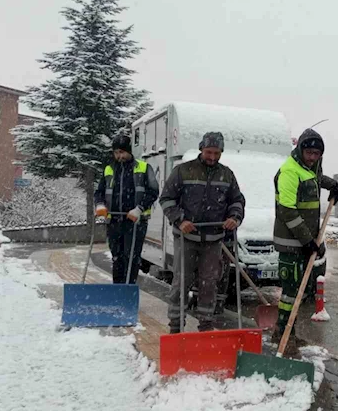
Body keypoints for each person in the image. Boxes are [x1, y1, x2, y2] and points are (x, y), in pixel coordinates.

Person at [159, 132, 245, 333]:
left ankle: (206, 324)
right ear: (201, 149)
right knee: (182, 281)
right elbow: (166, 199)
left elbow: (237, 201)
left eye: (217, 153)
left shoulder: (227, 175)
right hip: (186, 237)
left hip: (214, 240)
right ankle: (175, 326)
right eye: (209, 152)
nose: (212, 157)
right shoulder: (183, 171)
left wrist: (234, 217)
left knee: (209, 283)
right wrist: (180, 220)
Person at [272, 128, 338, 352]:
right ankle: (283, 335)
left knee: (301, 292)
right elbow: (287, 211)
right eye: (309, 152)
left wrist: (332, 185)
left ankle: (286, 332)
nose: (312, 157)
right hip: (292, 242)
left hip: (305, 241)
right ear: (300, 149)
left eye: (316, 154)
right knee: (291, 292)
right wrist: (307, 240)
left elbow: (316, 178)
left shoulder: (309, 170)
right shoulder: (290, 172)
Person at [94, 135, 159, 284]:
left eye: (122, 152)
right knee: (117, 257)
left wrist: (139, 208)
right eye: (116, 153)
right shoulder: (109, 170)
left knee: (131, 257)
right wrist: (100, 204)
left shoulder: (143, 168)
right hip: (114, 220)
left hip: (135, 222)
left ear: (129, 151)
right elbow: (100, 192)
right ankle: (118, 290)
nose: (119, 156)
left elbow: (153, 191)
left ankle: (129, 290)